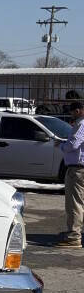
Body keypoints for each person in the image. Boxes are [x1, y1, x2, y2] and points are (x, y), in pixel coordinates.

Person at [57, 101, 84, 248]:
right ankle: (74, 232)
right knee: (79, 203)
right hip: (79, 169)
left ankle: (74, 236)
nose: (71, 114)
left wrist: (61, 145)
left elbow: (72, 145)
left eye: (72, 111)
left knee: (74, 204)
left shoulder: (81, 124)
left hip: (77, 169)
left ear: (78, 111)